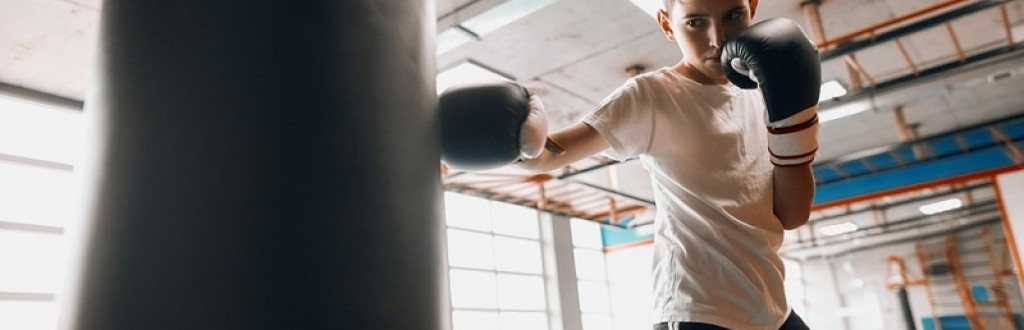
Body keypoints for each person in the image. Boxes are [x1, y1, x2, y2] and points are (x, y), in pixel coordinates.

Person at [439, 0, 819, 328]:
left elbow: (791, 213)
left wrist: (795, 121)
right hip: (700, 311)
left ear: (752, 7)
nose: (716, 39)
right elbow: (548, 155)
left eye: (733, 15)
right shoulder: (652, 95)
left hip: (771, 308)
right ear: (668, 24)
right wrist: (526, 136)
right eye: (695, 22)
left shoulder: (763, 91)